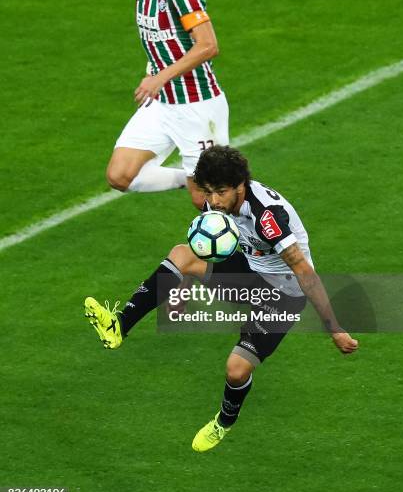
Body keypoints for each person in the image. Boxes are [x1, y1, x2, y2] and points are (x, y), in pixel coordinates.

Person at [85, 146, 358, 452]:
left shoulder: (267, 217)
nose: (212, 201)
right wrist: (182, 289)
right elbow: (203, 248)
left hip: (283, 294)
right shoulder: (217, 205)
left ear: (240, 185)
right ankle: (119, 326)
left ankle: (224, 422)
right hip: (250, 274)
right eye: (209, 191)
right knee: (181, 254)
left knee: (236, 369)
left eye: (221, 192)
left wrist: (334, 327)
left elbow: (303, 271)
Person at [106, 0, 229, 207]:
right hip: (162, 105)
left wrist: (160, 77)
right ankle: (189, 178)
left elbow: (208, 45)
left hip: (197, 105)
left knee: (210, 204)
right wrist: (152, 70)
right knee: (120, 175)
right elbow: (160, 38)